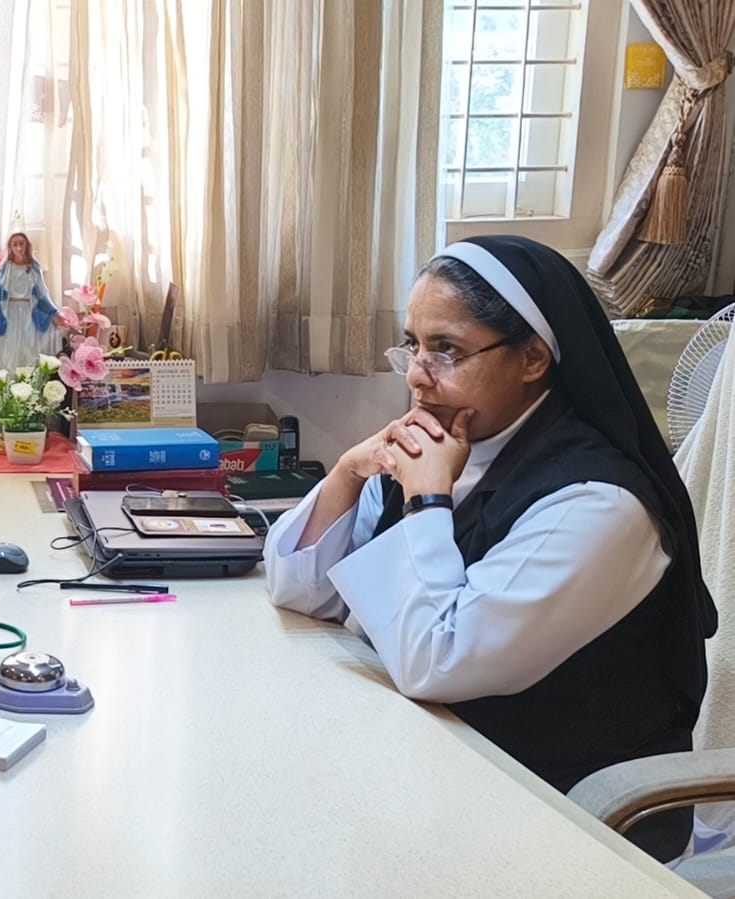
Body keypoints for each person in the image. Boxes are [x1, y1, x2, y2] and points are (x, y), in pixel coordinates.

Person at [263, 235, 716, 863]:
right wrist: (347, 473)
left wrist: (427, 502)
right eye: (413, 346)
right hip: (434, 776)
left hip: (562, 828)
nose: (417, 375)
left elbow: (437, 664)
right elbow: (300, 588)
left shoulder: (599, 502)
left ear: (533, 358)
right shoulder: (445, 445)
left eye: (447, 350)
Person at [0, 232, 64, 371]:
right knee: (10, 348)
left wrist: (55, 313)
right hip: (10, 314)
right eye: (15, 244)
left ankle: (29, 379)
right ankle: (11, 379)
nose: (19, 248)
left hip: (28, 314)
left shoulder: (34, 267)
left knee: (29, 348)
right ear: (10, 247)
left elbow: (42, 294)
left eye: (21, 243)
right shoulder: (5, 268)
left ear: (27, 245)